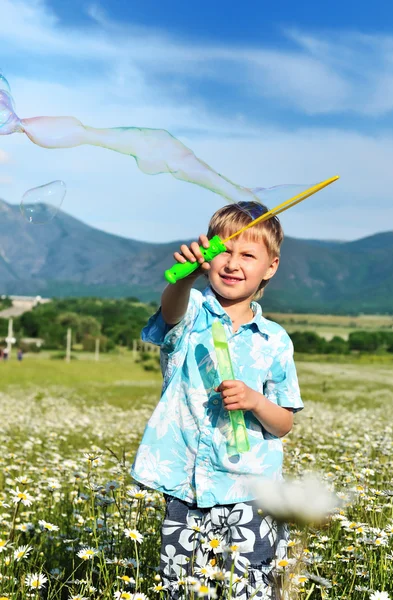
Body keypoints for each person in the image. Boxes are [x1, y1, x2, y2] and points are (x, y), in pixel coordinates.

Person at [131, 201, 304, 599]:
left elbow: (284, 423)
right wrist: (183, 278)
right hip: (186, 487)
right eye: (223, 249)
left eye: (247, 254)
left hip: (252, 491)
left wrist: (256, 402)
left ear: (271, 267)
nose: (232, 262)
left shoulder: (275, 340)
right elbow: (171, 309)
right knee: (184, 588)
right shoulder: (190, 312)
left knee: (251, 589)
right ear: (207, 255)